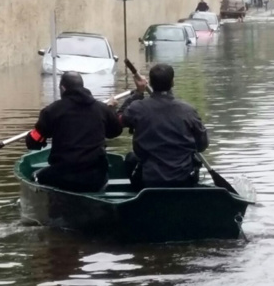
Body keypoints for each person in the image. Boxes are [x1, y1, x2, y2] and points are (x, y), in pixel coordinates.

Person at [115, 61, 209, 190]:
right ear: (172, 82)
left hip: (149, 179)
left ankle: (138, 196)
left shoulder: (137, 108)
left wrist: (137, 93)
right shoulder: (188, 111)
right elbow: (202, 145)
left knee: (131, 158)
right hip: (183, 178)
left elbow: (118, 120)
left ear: (151, 83)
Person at [25, 72, 123, 192]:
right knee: (102, 175)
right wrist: (111, 111)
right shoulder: (102, 109)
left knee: (35, 177)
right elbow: (115, 131)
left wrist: (32, 135)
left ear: (62, 88)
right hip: (96, 178)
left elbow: (33, 142)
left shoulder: (52, 111)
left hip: (63, 176)